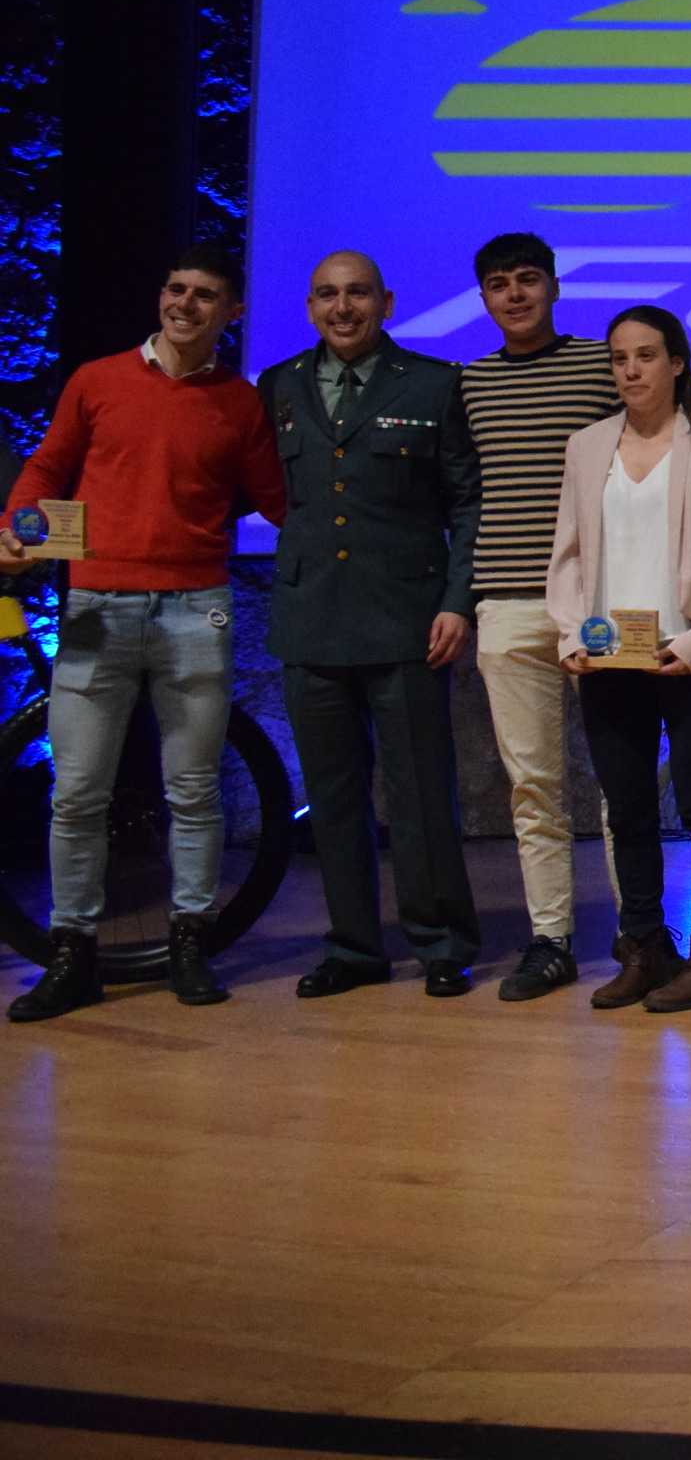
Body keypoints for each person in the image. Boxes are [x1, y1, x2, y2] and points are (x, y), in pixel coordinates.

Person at [3, 246, 287, 1022]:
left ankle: (190, 939)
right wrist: (15, 528)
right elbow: (46, 468)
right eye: (175, 289)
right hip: (95, 603)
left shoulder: (240, 402)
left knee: (192, 791)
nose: (184, 304)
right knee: (78, 793)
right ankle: (73, 953)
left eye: (204, 296)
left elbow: (278, 496)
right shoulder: (97, 380)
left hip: (199, 605)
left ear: (231, 313)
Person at [257, 249, 484, 998]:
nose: (343, 308)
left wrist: (457, 600)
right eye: (327, 295)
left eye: (357, 294)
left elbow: (466, 504)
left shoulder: (432, 383)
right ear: (310, 306)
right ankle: (354, 946)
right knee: (333, 795)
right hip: (312, 617)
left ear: (386, 302)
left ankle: (441, 941)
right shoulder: (279, 384)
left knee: (420, 792)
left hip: (407, 619)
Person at [545, 307, 691, 1013]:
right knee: (626, 810)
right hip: (610, 663)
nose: (631, 370)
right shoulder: (586, 445)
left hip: (690, 656)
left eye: (645, 356)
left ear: (678, 363)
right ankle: (645, 946)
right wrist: (573, 636)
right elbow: (566, 556)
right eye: (619, 359)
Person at [459, 233, 620, 1003]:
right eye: (499, 284)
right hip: (506, 601)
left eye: (528, 280)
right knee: (533, 786)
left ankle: (640, 929)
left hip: (603, 603)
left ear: (555, 286)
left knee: (620, 778)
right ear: (483, 298)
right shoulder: (467, 384)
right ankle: (551, 939)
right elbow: (460, 497)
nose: (515, 294)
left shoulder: (603, 365)